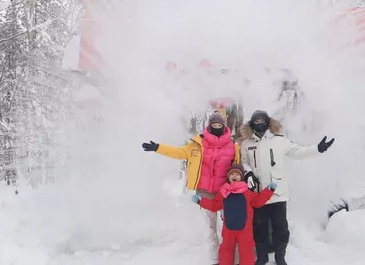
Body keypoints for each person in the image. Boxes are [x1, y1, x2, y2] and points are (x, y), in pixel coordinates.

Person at [142, 112, 240, 265]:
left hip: (226, 193)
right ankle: (214, 259)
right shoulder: (197, 144)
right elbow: (179, 152)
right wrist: (158, 148)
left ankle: (231, 259)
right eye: (214, 125)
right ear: (209, 125)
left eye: (219, 125)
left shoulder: (233, 147)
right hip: (205, 193)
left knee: (230, 228)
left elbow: (238, 167)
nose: (217, 127)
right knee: (210, 230)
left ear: (224, 126)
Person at [240, 110, 335, 265]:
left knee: (280, 227)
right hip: (258, 195)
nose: (259, 124)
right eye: (256, 121)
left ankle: (280, 256)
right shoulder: (246, 144)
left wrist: (318, 148)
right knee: (259, 227)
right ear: (251, 124)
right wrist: (248, 173)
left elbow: (298, 152)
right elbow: (244, 161)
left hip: (278, 192)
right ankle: (262, 257)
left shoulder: (280, 140)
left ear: (268, 122)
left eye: (262, 121)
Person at [192, 164, 277, 265]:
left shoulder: (247, 192)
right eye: (232, 174)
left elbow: (258, 201)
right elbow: (214, 205)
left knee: (247, 251)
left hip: (245, 230)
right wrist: (200, 201)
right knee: (226, 250)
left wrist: (269, 191)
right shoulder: (223, 192)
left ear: (241, 177)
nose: (235, 176)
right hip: (228, 229)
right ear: (228, 177)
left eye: (237, 174)